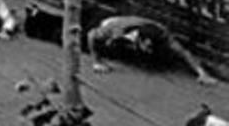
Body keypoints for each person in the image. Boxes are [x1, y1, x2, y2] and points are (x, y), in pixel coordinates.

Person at [86, 15, 218, 85]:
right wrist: (97, 62)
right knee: (105, 43)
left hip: (139, 32)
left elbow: (184, 53)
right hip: (112, 23)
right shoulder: (117, 30)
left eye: (151, 46)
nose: (149, 49)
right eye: (147, 46)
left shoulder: (163, 35)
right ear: (140, 40)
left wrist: (202, 74)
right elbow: (91, 35)